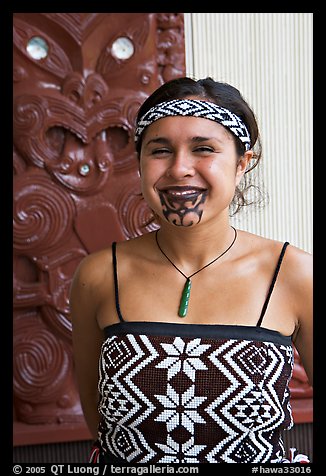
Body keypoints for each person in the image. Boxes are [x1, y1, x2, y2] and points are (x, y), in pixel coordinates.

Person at [70, 76, 312, 464]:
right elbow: (98, 422)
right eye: (160, 151)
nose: (180, 168)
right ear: (139, 163)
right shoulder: (99, 276)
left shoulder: (295, 275)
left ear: (241, 164)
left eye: (204, 149)